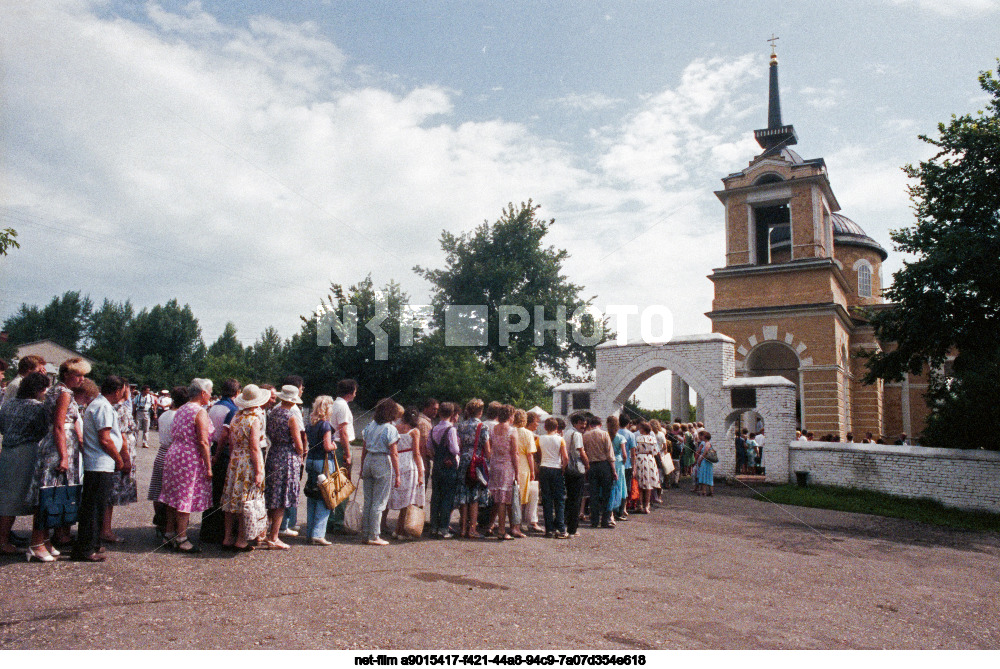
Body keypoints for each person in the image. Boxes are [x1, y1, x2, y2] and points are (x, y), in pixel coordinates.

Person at [26, 358, 90, 551]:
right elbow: (59, 425)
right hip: (58, 447)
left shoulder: (57, 390)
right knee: (48, 494)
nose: (81, 379)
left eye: (83, 375)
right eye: (78, 375)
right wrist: (64, 456)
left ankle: (44, 540)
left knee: (53, 494)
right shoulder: (63, 393)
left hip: (58, 444)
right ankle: (36, 542)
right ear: (66, 374)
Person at [73, 375, 129, 562]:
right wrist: (118, 458)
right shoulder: (103, 407)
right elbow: (105, 438)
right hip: (99, 463)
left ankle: (92, 543)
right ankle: (86, 548)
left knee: (97, 506)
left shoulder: (100, 405)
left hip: (100, 463)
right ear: (117, 390)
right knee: (93, 507)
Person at [158, 378, 214, 554]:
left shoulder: (181, 408)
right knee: (185, 495)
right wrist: (208, 465)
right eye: (210, 392)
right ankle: (182, 537)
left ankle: (169, 532)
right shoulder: (200, 412)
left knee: (172, 495)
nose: (211, 395)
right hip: (189, 456)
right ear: (203, 393)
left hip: (174, 453)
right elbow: (203, 441)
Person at [0, 372, 50, 558]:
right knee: (21, 497)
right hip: (27, 452)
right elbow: (43, 431)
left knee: (6, 496)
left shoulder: (8, 404)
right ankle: (5, 541)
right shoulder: (39, 408)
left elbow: (2, 427)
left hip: (7, 452)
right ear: (39, 389)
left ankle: (3, 538)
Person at [220, 384, 269, 551]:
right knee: (245, 501)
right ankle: (241, 539)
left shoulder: (236, 416)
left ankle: (227, 537)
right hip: (248, 461)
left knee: (230, 500)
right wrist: (259, 471)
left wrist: (234, 459)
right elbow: (255, 447)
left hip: (235, 460)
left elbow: (232, 443)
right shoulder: (254, 419)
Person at [264, 385, 305, 550]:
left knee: (271, 494)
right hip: (287, 456)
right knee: (281, 498)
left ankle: (267, 532)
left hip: (274, 453)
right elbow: (298, 442)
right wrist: (301, 454)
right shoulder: (291, 416)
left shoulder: (272, 413)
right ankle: (274, 536)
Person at [359, 398, 401, 546]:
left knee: (368, 500)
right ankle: (374, 535)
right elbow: (394, 454)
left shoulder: (370, 426)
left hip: (369, 459)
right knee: (379, 501)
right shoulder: (390, 429)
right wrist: (398, 474)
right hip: (382, 460)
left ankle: (365, 533)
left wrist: (362, 466)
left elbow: (364, 447)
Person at [203, 379, 240, 544]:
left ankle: (208, 530)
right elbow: (225, 434)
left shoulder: (214, 407)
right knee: (223, 491)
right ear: (237, 392)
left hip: (212, 446)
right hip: (223, 450)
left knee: (213, 491)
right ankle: (219, 532)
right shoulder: (232, 409)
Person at [148, 386, 186, 539]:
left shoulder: (164, 415)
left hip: (161, 452)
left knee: (158, 490)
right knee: (173, 492)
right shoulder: (180, 416)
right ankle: (172, 524)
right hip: (174, 453)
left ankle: (160, 521)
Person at [105, 382, 138, 542]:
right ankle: (105, 529)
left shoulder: (113, 406)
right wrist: (126, 459)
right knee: (110, 493)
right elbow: (122, 435)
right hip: (121, 452)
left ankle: (104, 528)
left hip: (117, 450)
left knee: (108, 492)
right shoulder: (121, 408)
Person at [303, 394, 337, 546]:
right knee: (325, 497)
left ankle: (310, 533)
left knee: (313, 496)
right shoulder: (325, 425)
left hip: (310, 460)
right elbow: (327, 446)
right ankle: (318, 534)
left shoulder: (310, 424)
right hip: (322, 462)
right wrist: (334, 446)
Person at [388, 407, 425, 540]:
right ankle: (401, 530)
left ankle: (397, 529)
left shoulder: (396, 428)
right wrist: (421, 472)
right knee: (409, 499)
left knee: (400, 496)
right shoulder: (415, 431)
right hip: (410, 463)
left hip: (397, 461)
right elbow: (416, 453)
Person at [276, 375, 307, 538]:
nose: (303, 390)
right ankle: (284, 524)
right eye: (301, 388)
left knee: (278, 489)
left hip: (276, 452)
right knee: (288, 489)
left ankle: (282, 523)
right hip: (289, 453)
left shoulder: (275, 409)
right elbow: (300, 435)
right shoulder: (292, 411)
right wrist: (302, 453)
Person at [326, 379, 357, 536]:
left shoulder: (334, 403)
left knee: (334, 483)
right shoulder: (343, 406)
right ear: (351, 392)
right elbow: (343, 431)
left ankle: (332, 520)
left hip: (335, 445)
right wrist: (348, 453)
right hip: (341, 446)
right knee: (342, 485)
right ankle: (338, 522)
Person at [454, 399, 489, 539]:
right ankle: (472, 529)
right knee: (474, 496)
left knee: (463, 495)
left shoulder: (461, 426)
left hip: (463, 460)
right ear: (480, 411)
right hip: (476, 462)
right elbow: (487, 450)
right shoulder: (482, 426)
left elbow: (460, 445)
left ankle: (462, 528)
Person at [427, 402, 459, 538]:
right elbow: (454, 449)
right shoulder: (451, 430)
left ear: (440, 413)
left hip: (437, 464)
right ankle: (443, 528)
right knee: (447, 497)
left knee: (436, 497)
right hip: (449, 465)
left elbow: (429, 446)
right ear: (452, 414)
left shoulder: (433, 429)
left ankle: (434, 526)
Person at [487, 404, 519, 540]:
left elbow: (491, 447)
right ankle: (501, 530)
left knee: (497, 498)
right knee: (503, 500)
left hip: (495, 464)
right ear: (511, 416)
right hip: (506, 465)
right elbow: (515, 453)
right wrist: (517, 472)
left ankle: (491, 525)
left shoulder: (493, 429)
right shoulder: (512, 431)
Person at [582, 415, 617, 528]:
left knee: (593, 494)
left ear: (590, 425)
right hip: (604, 465)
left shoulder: (585, 436)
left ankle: (594, 520)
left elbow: (584, 451)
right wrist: (614, 470)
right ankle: (605, 520)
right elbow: (609, 453)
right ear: (600, 424)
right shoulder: (604, 434)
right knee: (606, 494)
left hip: (591, 465)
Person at [537, 417, 569, 538]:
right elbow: (565, 457)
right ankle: (561, 528)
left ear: (545, 427)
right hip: (556, 468)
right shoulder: (560, 439)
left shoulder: (540, 439)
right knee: (559, 499)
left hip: (544, 467)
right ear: (557, 428)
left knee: (547, 499)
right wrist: (563, 468)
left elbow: (538, 453)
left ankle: (549, 529)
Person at [512, 410, 538, 535]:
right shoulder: (528, 433)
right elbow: (530, 455)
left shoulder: (510, 431)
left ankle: (513, 522)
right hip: (523, 466)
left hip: (511, 464)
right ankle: (518, 524)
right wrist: (533, 470)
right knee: (522, 497)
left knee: (511, 497)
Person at [562, 413, 589, 537]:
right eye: (581, 423)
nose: (583, 426)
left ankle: (566, 524)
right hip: (577, 469)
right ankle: (572, 529)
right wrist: (587, 464)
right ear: (575, 423)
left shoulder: (567, 433)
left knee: (569, 498)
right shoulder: (577, 435)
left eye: (584, 424)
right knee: (576, 499)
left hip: (567, 468)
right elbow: (581, 452)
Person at [632, 422, 660, 513]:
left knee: (640, 483)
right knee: (648, 484)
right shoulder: (653, 439)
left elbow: (634, 451)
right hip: (650, 459)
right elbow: (655, 452)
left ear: (643, 429)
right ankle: (646, 506)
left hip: (640, 459)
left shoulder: (638, 438)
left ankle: (640, 504)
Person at [607, 416, 628, 521]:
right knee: (621, 486)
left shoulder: (606, 436)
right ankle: (620, 511)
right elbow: (624, 454)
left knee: (610, 486)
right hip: (619, 462)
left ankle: (609, 510)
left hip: (608, 462)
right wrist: (623, 462)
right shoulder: (620, 437)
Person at [616, 413, 636, 519]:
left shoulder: (614, 433)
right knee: (626, 487)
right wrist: (634, 466)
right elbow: (632, 453)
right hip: (627, 464)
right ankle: (623, 508)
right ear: (628, 423)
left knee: (616, 485)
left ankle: (616, 507)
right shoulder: (631, 435)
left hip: (616, 463)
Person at [417, 398, 438, 492]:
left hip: (419, 460)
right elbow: (425, 445)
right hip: (423, 461)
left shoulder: (421, 420)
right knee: (420, 494)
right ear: (425, 408)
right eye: (433, 409)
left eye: (437, 409)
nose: (436, 412)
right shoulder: (424, 423)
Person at [694, 431, 715, 496]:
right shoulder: (710, 443)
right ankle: (711, 492)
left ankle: (704, 491)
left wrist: (700, 460)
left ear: (705, 437)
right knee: (709, 476)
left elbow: (705, 452)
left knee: (704, 475)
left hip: (705, 461)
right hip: (709, 462)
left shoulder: (706, 444)